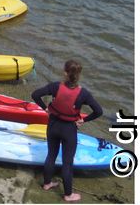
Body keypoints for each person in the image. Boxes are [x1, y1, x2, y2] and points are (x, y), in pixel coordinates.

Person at [32, 60, 103, 202]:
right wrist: (83, 120)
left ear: (65, 72)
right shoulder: (84, 93)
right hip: (69, 130)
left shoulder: (55, 86)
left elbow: (35, 94)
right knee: (67, 162)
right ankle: (68, 194)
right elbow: (98, 111)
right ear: (78, 75)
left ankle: (47, 184)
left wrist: (45, 108)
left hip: (53, 125)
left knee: (51, 155)